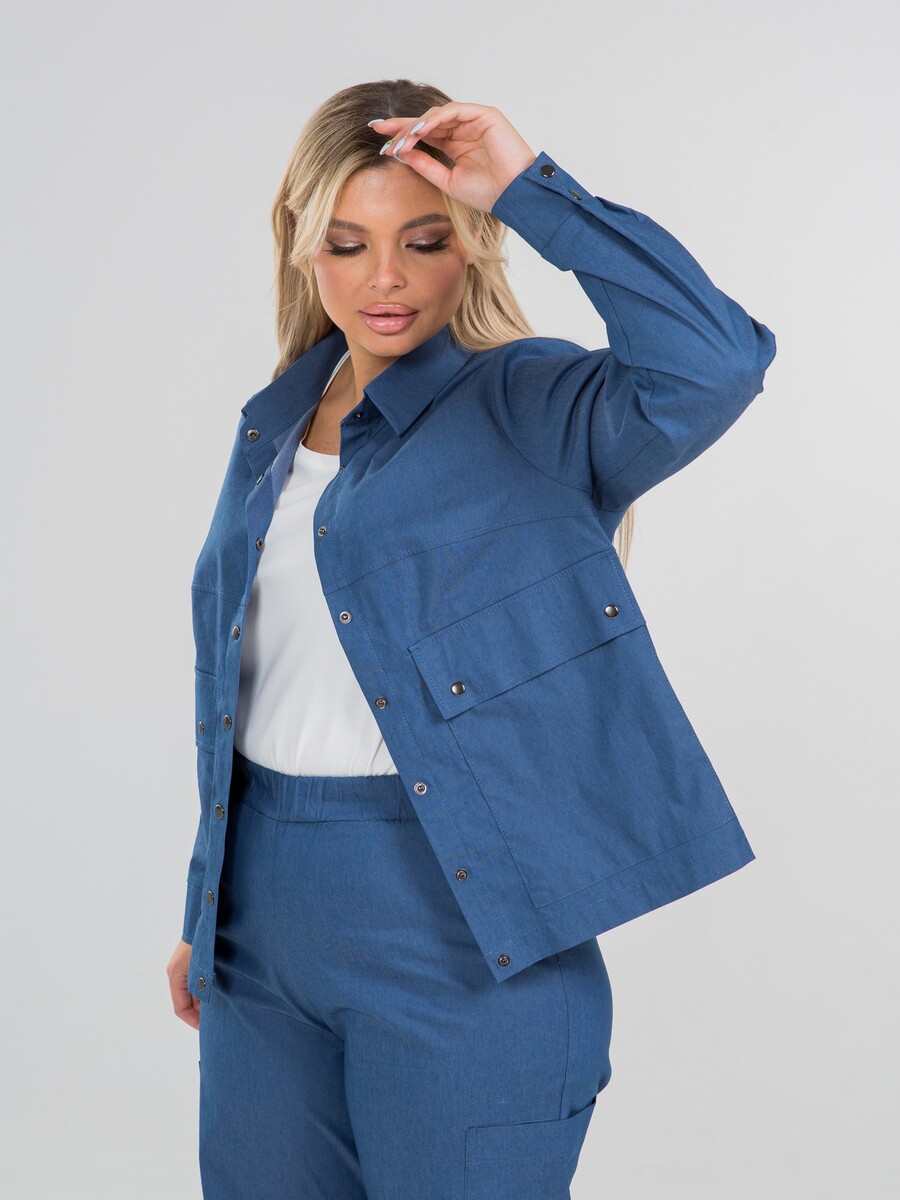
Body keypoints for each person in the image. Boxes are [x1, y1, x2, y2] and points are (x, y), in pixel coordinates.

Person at [166, 79, 776, 1199]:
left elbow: (716, 364)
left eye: (425, 240)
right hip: (260, 941)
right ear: (302, 245)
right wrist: (207, 909)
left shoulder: (531, 408)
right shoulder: (270, 430)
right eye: (347, 243)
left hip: (462, 940)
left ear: (473, 246)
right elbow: (252, 691)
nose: (385, 279)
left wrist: (531, 189)